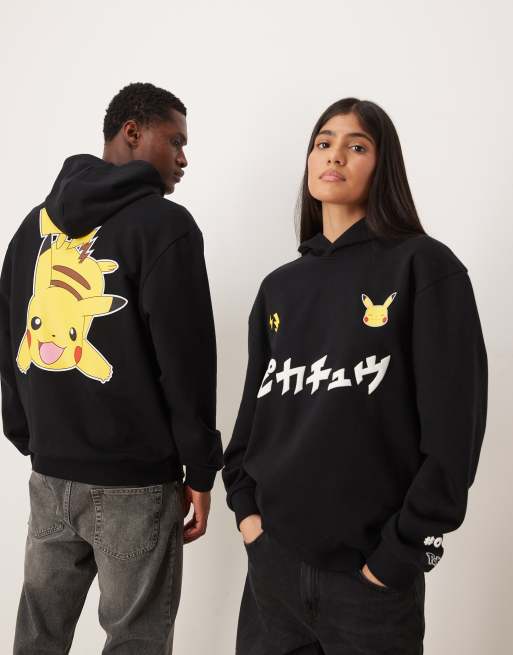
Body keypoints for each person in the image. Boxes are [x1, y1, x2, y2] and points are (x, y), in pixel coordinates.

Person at [222, 97, 488, 654]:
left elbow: (453, 438)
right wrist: (249, 518)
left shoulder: (425, 268)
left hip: (371, 585)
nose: (335, 155)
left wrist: (397, 557)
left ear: (382, 165)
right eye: (324, 143)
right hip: (273, 575)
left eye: (357, 145)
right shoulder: (280, 287)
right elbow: (253, 420)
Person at [0, 82, 223, 654]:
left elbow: (10, 341)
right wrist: (201, 469)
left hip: (51, 477)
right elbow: (187, 360)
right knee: (136, 641)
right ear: (132, 131)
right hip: (135, 483)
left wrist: (33, 437)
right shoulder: (165, 226)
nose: (183, 158)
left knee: (38, 637)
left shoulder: (31, 228)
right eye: (175, 141)